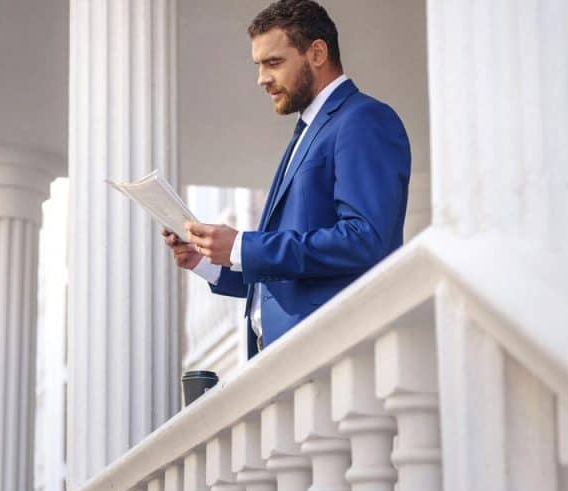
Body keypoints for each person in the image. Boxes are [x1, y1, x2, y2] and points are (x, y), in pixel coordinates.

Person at [164, 0, 411, 358]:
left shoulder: (362, 119)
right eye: (259, 65)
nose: (261, 78)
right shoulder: (307, 130)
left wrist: (243, 246)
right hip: (285, 360)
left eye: (273, 62)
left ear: (317, 53)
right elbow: (287, 278)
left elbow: (364, 240)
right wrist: (207, 260)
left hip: (331, 352)